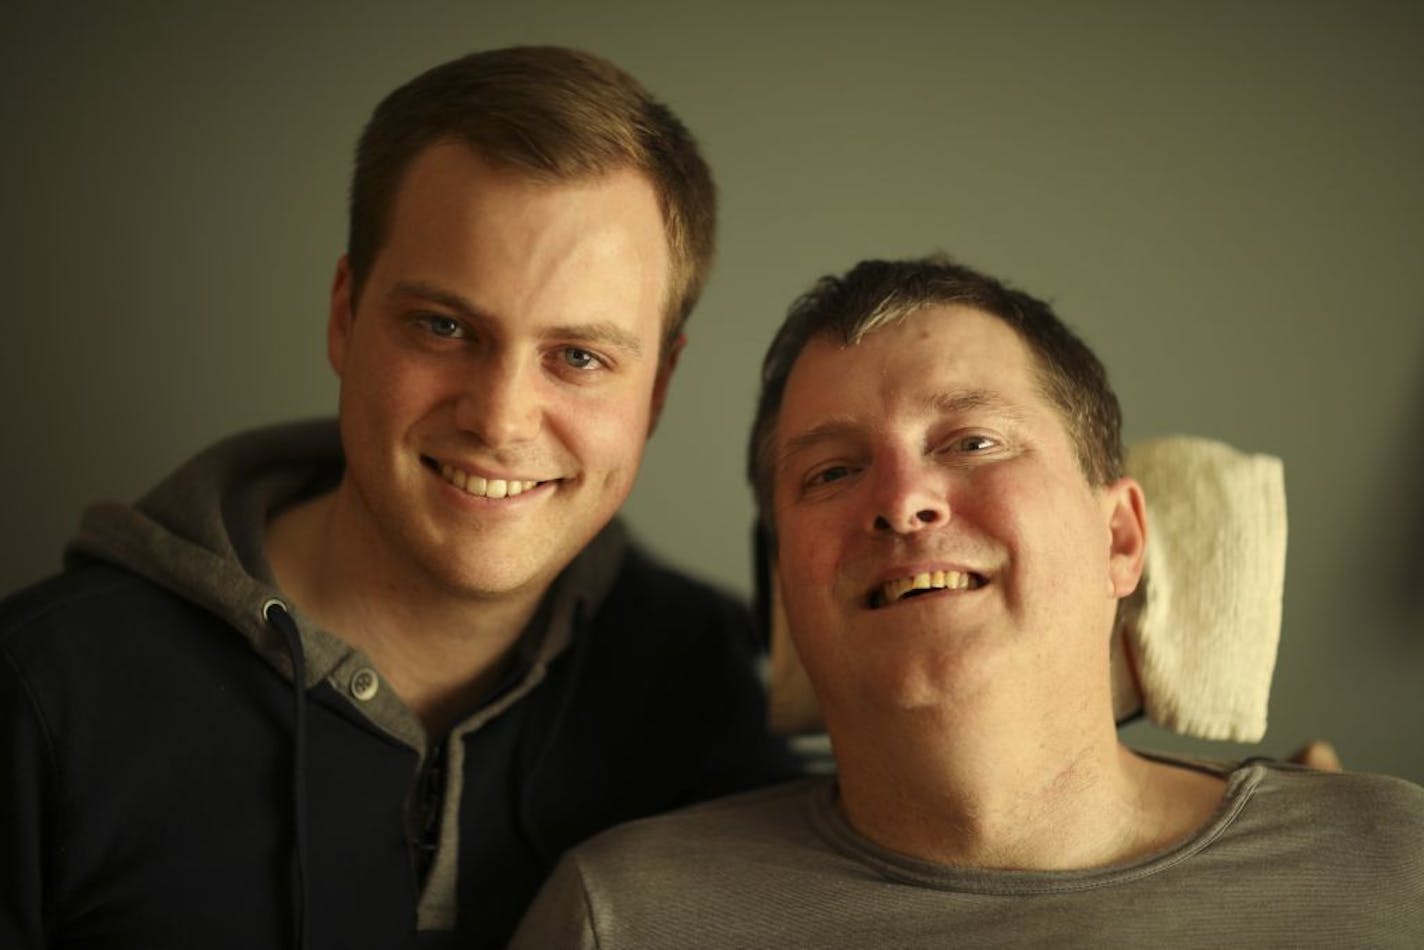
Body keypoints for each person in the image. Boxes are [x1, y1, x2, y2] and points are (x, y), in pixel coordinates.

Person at [0, 47, 798, 950]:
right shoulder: (40, 697)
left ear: (656, 390)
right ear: (345, 314)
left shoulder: (707, 692)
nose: (500, 419)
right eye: (445, 327)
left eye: (579, 357)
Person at [509, 255, 1424, 948]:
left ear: (1120, 539)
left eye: (974, 441)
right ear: (788, 582)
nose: (902, 499)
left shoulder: (1393, 865)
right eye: (832, 470)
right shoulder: (625, 918)